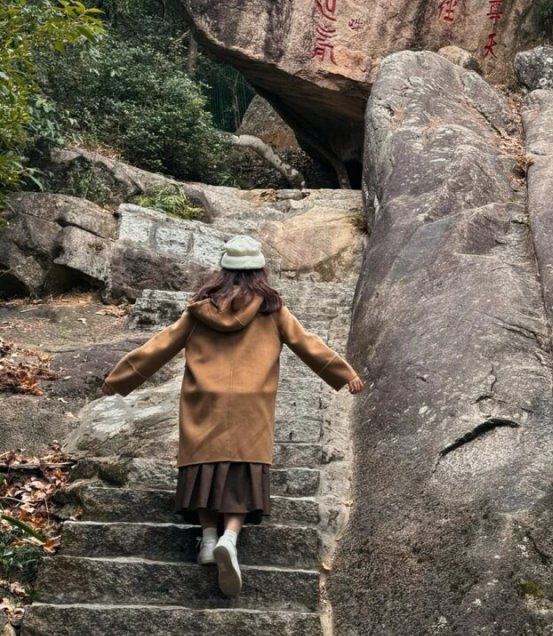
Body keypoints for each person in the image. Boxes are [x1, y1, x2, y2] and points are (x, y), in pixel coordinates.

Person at [101, 234, 364, 596]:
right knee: (243, 469)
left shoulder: (199, 309)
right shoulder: (272, 309)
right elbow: (306, 342)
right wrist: (343, 373)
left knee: (203, 466)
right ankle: (230, 536)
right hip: (250, 404)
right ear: (259, 270)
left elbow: (160, 345)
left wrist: (119, 379)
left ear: (222, 270)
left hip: (203, 400)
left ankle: (208, 538)